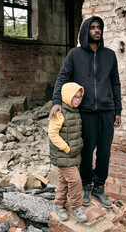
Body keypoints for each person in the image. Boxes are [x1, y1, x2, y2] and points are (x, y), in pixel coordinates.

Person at [49, 16, 122, 208]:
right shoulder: (75, 54)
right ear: (85, 31)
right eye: (93, 28)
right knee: (87, 152)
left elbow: (115, 83)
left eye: (99, 28)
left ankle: (99, 187)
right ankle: (87, 187)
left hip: (107, 111)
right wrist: (57, 101)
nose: (97, 31)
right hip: (86, 112)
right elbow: (62, 76)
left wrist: (118, 110)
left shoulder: (110, 55)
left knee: (104, 152)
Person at [49, 82, 88, 223]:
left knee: (64, 181)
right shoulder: (59, 113)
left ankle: (58, 205)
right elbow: (52, 134)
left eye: (80, 97)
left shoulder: (74, 111)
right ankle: (76, 207)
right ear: (66, 96)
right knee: (75, 181)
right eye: (74, 97)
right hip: (64, 154)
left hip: (73, 155)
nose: (78, 99)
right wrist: (67, 148)